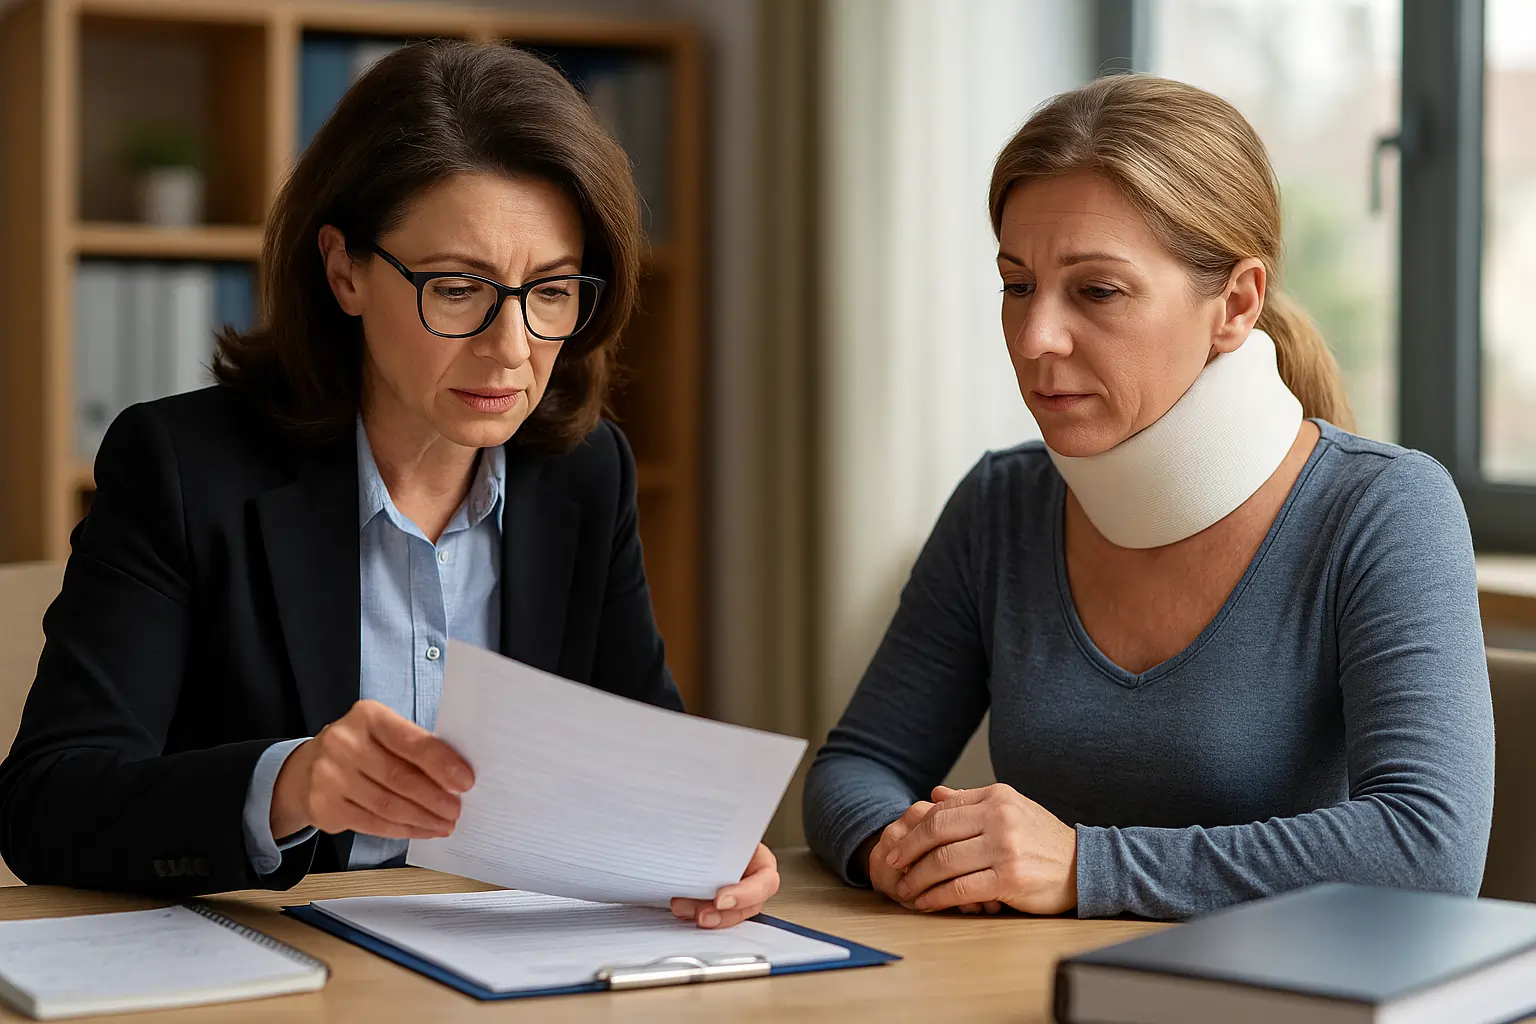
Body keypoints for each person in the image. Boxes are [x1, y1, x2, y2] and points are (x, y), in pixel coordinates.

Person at [0, 41, 776, 930]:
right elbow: (45, 803)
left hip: (511, 965)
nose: (512, 349)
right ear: (345, 271)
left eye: (551, 291)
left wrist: (701, 843)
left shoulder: (584, 474)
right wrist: (289, 785)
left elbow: (646, 765)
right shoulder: (183, 468)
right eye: (457, 288)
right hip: (275, 971)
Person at [803, 73, 1494, 921]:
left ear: (1236, 304)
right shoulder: (1002, 504)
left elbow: (1427, 848)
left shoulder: (1384, 510)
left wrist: (1085, 868)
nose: (1035, 337)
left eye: (1096, 291)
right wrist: (902, 849)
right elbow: (857, 767)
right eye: (1016, 285)